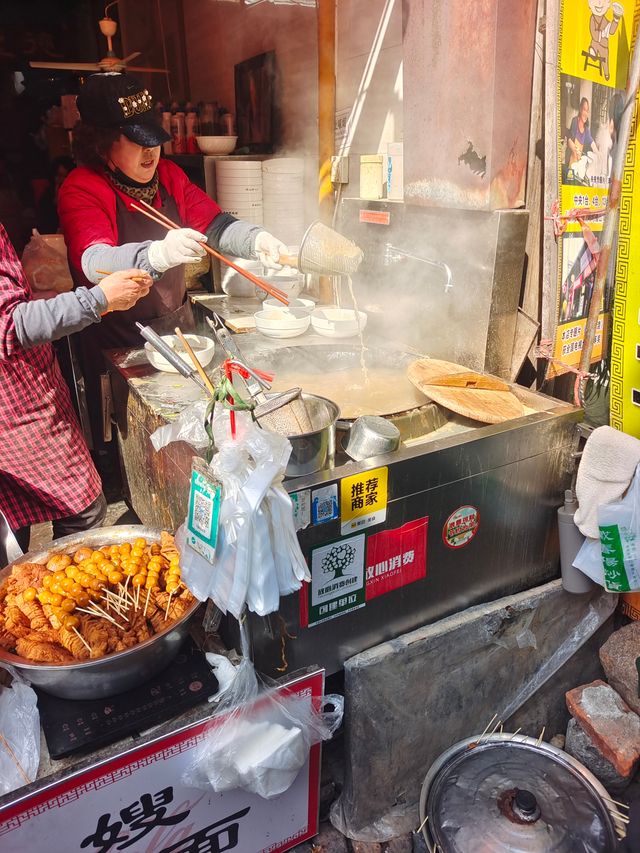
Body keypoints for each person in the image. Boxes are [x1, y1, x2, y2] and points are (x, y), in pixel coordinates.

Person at [58, 72, 288, 445]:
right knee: (136, 439)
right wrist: (158, 252)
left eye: (154, 139)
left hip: (177, 330)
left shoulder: (169, 175)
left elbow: (215, 224)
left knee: (193, 434)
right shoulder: (82, 187)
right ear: (101, 144)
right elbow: (93, 260)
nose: (151, 151)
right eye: (136, 141)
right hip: (120, 344)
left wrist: (257, 240)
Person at [0, 221, 152, 551]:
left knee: (12, 526)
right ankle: (64, 593)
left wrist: (36, 298)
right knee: (82, 507)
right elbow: (8, 325)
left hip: (28, 391)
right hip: (14, 407)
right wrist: (98, 299)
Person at [35, 155, 75, 234]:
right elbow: (44, 221)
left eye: (66, 176)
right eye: (59, 176)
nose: (62, 180)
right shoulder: (48, 194)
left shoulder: (77, 193)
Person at [565, 98, 599, 179]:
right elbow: (569, 140)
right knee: (570, 180)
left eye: (587, 111)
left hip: (578, 163)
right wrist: (574, 149)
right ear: (580, 109)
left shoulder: (586, 129)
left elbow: (592, 142)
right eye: (584, 110)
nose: (586, 113)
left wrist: (598, 154)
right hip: (571, 161)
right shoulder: (574, 121)